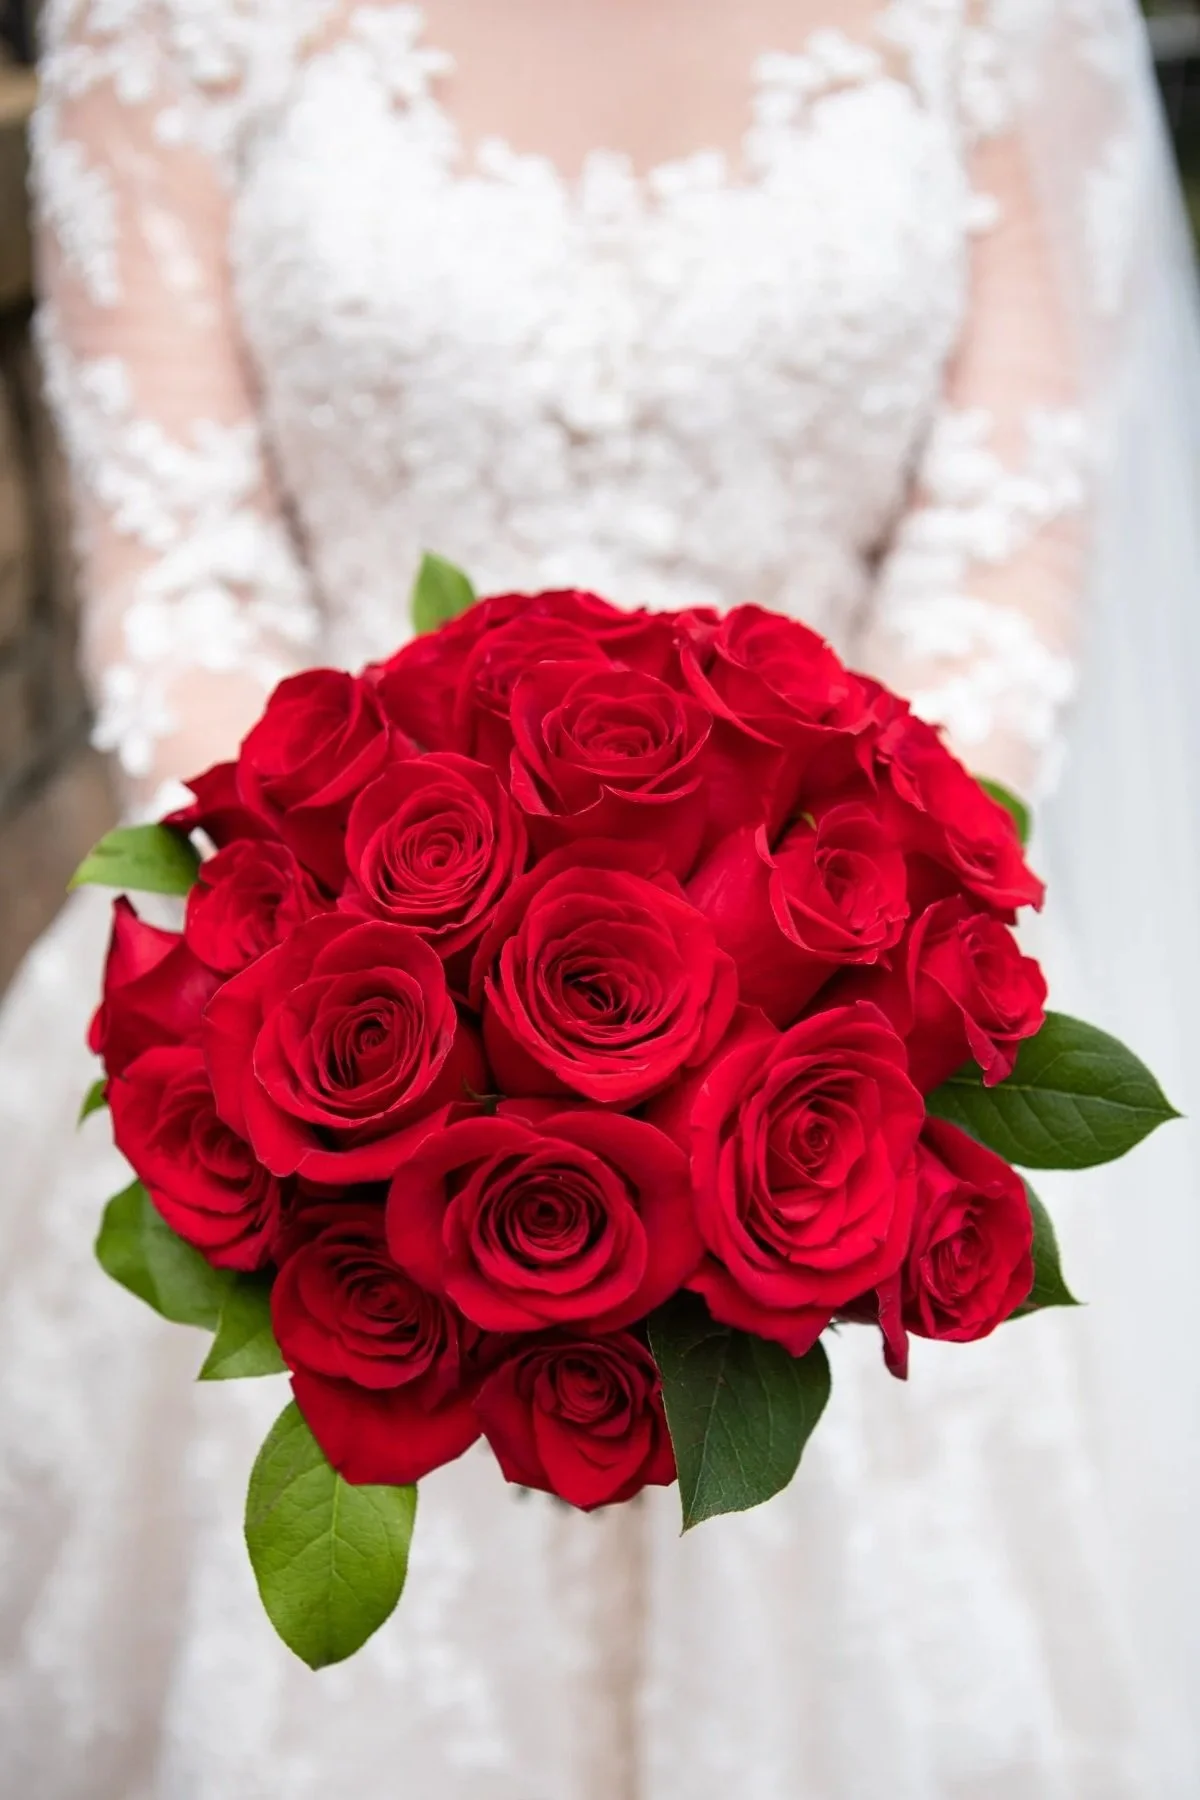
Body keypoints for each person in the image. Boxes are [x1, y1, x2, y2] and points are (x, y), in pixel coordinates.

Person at [2, 1, 1197, 1793]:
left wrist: (825, 996)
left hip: (848, 1014)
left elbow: (1005, 533)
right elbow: (178, 567)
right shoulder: (165, 22)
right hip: (317, 994)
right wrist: (400, 999)